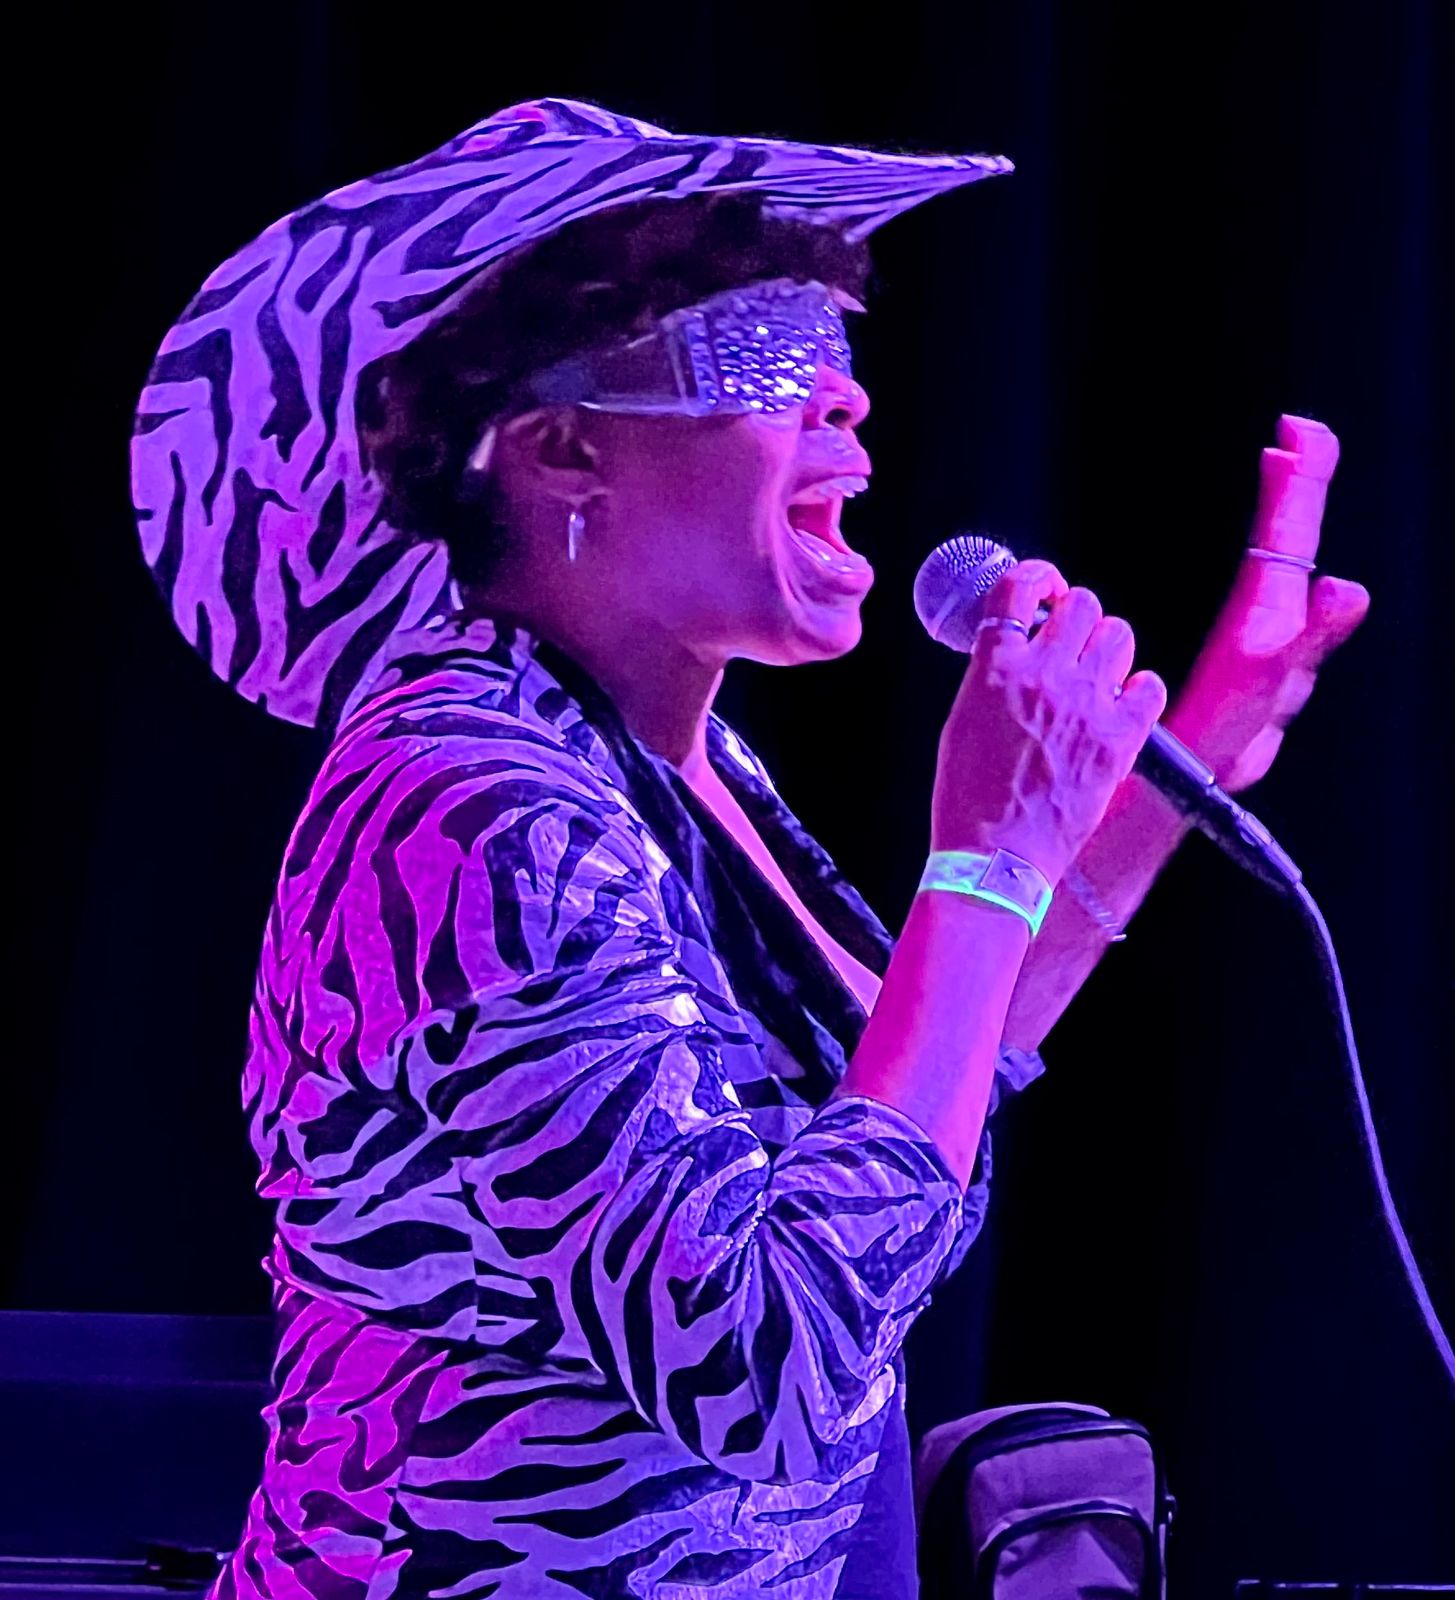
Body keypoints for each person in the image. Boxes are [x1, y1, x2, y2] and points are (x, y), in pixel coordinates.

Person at [131, 99, 1368, 1600]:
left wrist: (1170, 775)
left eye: (836, 346)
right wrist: (983, 855)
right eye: (768, 352)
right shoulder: (473, 806)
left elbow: (912, 1104)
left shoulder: (674, 757)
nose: (845, 401)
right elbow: (768, 1365)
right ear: (561, 448)